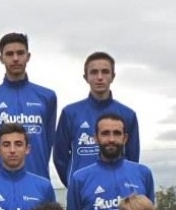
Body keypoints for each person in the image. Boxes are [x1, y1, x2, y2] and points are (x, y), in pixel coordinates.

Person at [67, 113, 155, 210]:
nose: (111, 139)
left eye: (117, 133)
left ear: (125, 138)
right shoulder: (80, 178)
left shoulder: (143, 174)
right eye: (105, 133)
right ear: (96, 138)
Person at [53, 51, 140, 187]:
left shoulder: (128, 114)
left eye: (105, 72)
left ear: (113, 76)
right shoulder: (70, 113)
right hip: (83, 190)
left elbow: (132, 158)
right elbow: (60, 157)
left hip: (118, 190)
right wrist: (74, 186)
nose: (100, 77)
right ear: (86, 77)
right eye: (94, 72)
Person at [0, 32, 57, 179]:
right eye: (9, 54)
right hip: (0, 182)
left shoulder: (47, 97)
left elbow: (48, 143)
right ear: (1, 58)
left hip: (38, 180)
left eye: (20, 53)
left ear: (28, 56)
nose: (15, 58)